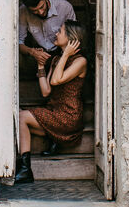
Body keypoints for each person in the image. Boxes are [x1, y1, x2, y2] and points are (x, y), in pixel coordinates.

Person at [15, 20, 88, 185]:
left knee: (22, 117)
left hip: (68, 117)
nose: (56, 34)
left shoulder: (80, 61)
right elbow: (46, 91)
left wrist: (66, 55)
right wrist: (41, 66)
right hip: (55, 113)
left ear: (71, 38)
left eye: (60, 31)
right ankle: (52, 141)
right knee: (18, 116)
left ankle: (26, 169)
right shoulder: (56, 60)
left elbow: (56, 80)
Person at [18, 0, 76, 67]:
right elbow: (19, 41)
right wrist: (32, 52)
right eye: (34, 11)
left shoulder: (65, 7)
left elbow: (74, 36)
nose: (40, 12)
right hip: (37, 54)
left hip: (64, 53)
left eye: (42, 7)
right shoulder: (23, 11)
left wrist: (65, 56)